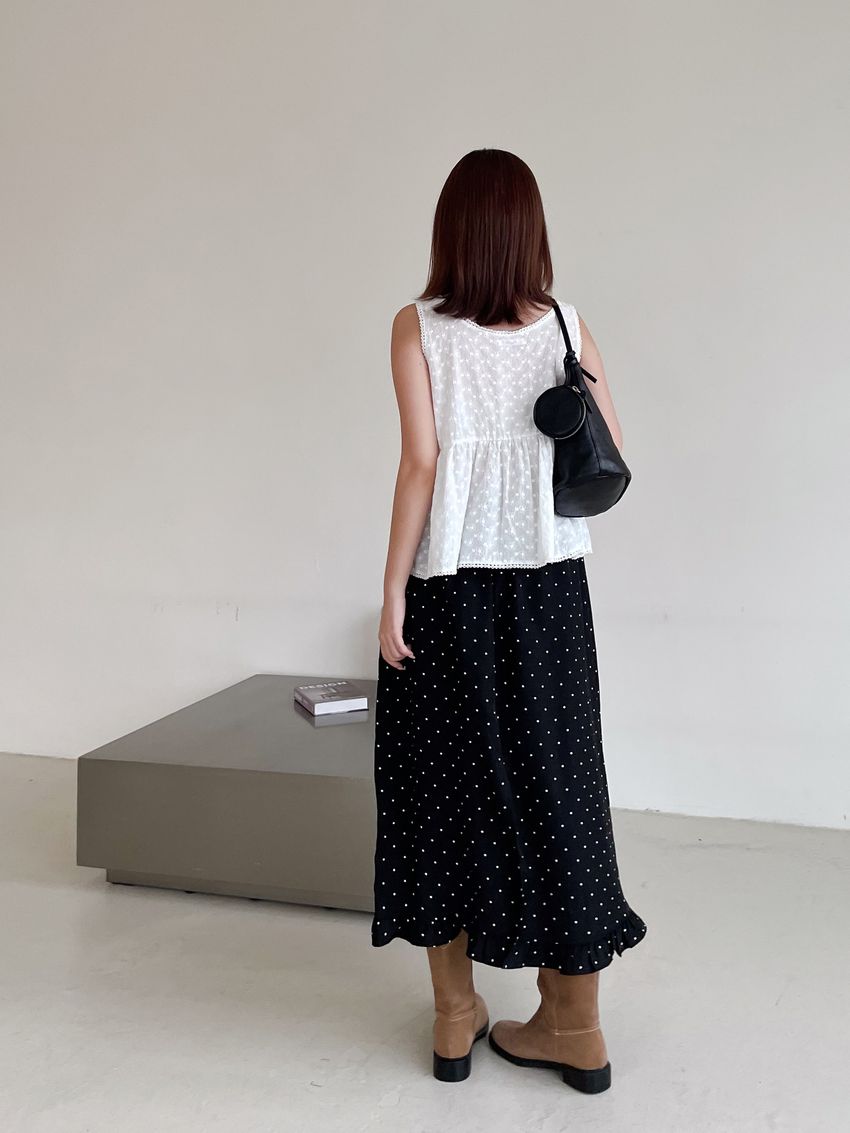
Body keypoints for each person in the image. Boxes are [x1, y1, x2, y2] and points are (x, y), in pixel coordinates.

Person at [371, 148, 647, 1092]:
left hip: (449, 589)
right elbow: (612, 445)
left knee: (435, 790)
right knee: (560, 790)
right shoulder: (567, 324)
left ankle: (456, 1018)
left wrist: (392, 588)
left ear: (450, 230)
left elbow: (420, 463)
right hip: (550, 593)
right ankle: (576, 1025)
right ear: (531, 231)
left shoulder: (417, 327)